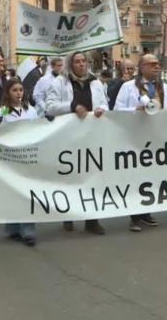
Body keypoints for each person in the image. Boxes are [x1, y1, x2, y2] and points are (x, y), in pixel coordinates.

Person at [46, 51, 108, 235]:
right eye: (77, 61)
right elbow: (50, 107)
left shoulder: (95, 82)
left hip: (91, 135)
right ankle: (69, 214)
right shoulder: (61, 82)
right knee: (71, 176)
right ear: (70, 64)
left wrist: (101, 109)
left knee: (92, 176)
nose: (81, 64)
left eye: (84, 61)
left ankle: (92, 220)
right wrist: (72, 107)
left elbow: (105, 103)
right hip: (69, 137)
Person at [114, 54, 167, 231]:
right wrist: (135, 110)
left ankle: (146, 213)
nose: (157, 67)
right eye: (152, 64)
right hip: (134, 139)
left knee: (151, 177)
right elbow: (117, 110)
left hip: (156, 139)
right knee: (135, 177)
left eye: (158, 64)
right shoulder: (128, 87)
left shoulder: (164, 88)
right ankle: (135, 216)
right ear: (142, 67)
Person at [0, 78, 39, 246]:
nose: (18, 93)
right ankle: (12, 228)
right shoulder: (2, 112)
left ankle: (28, 230)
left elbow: (38, 129)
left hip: (28, 155)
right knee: (13, 192)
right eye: (15, 90)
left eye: (20, 90)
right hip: (10, 157)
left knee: (27, 192)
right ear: (8, 93)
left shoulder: (31, 110)